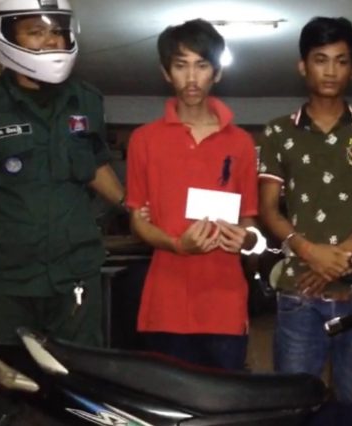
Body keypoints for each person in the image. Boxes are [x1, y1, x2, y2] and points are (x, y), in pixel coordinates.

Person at [0, 0, 124, 424]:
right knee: (2, 383)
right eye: (35, 31)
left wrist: (131, 207)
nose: (51, 40)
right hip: (5, 279)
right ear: (4, 35)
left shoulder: (87, 99)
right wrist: (6, 223)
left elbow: (96, 167)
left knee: (79, 382)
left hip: (75, 275)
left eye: (56, 30)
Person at [257, 17, 352, 403]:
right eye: (321, 60)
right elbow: (268, 209)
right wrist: (311, 253)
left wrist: (342, 253)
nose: (331, 70)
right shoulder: (278, 132)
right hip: (299, 292)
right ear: (303, 66)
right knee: (294, 404)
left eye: (341, 60)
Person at [126, 19, 262, 370]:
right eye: (180, 65)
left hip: (225, 303)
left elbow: (249, 222)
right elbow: (137, 220)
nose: (191, 77)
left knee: (226, 397)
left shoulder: (241, 143)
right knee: (167, 399)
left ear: (217, 72)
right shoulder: (143, 140)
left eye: (201, 65)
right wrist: (176, 245)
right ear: (166, 72)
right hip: (165, 304)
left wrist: (247, 240)